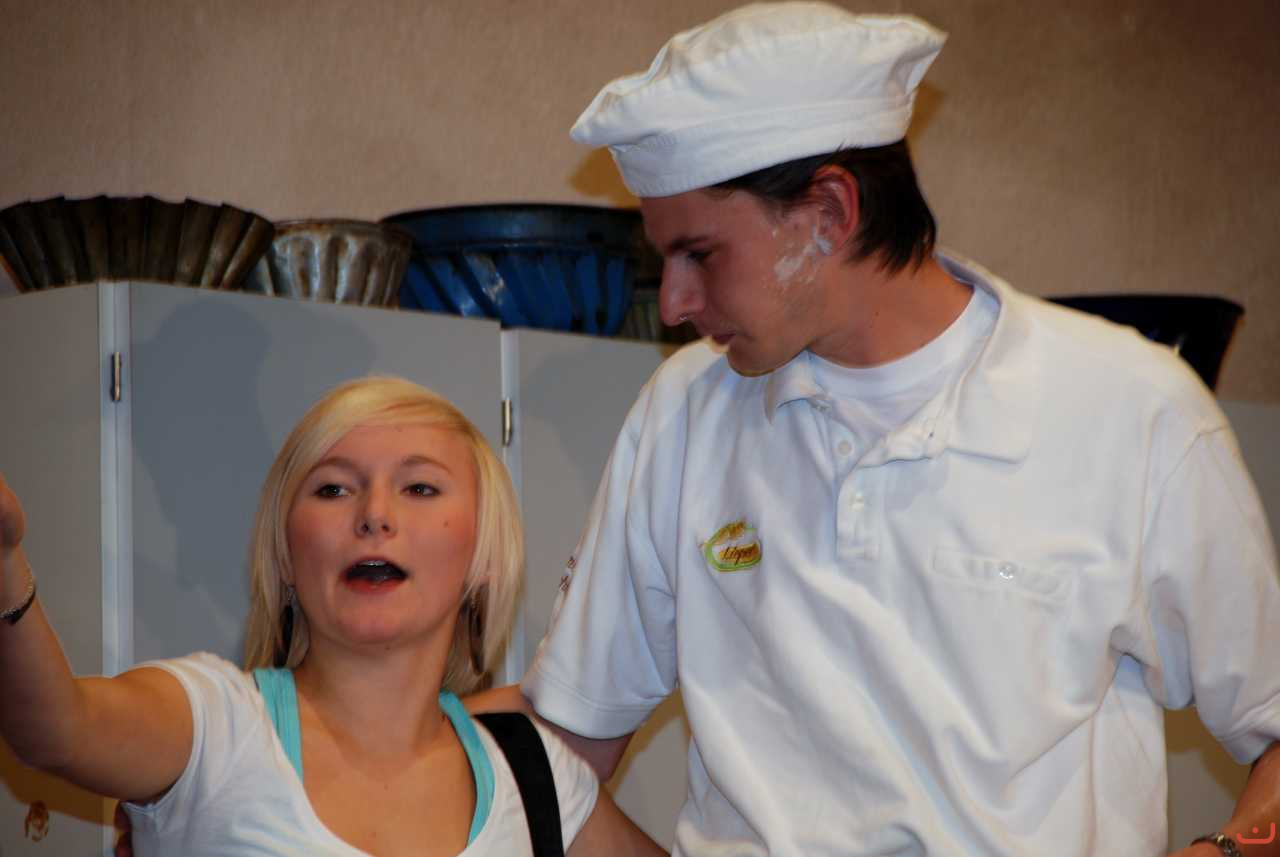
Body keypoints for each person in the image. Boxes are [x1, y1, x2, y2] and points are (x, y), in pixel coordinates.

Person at [471, 3, 1280, 856]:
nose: (672, 303)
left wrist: (1228, 851)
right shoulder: (682, 413)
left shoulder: (1132, 409)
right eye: (661, 259)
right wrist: (380, 734)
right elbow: (564, 743)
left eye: (700, 254)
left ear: (830, 210)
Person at [0, 376, 665, 856]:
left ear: (482, 557)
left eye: (420, 487)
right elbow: (55, 728)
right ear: (285, 556)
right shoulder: (215, 724)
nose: (374, 514)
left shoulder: (538, 775)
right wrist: (4, 557)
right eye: (334, 488)